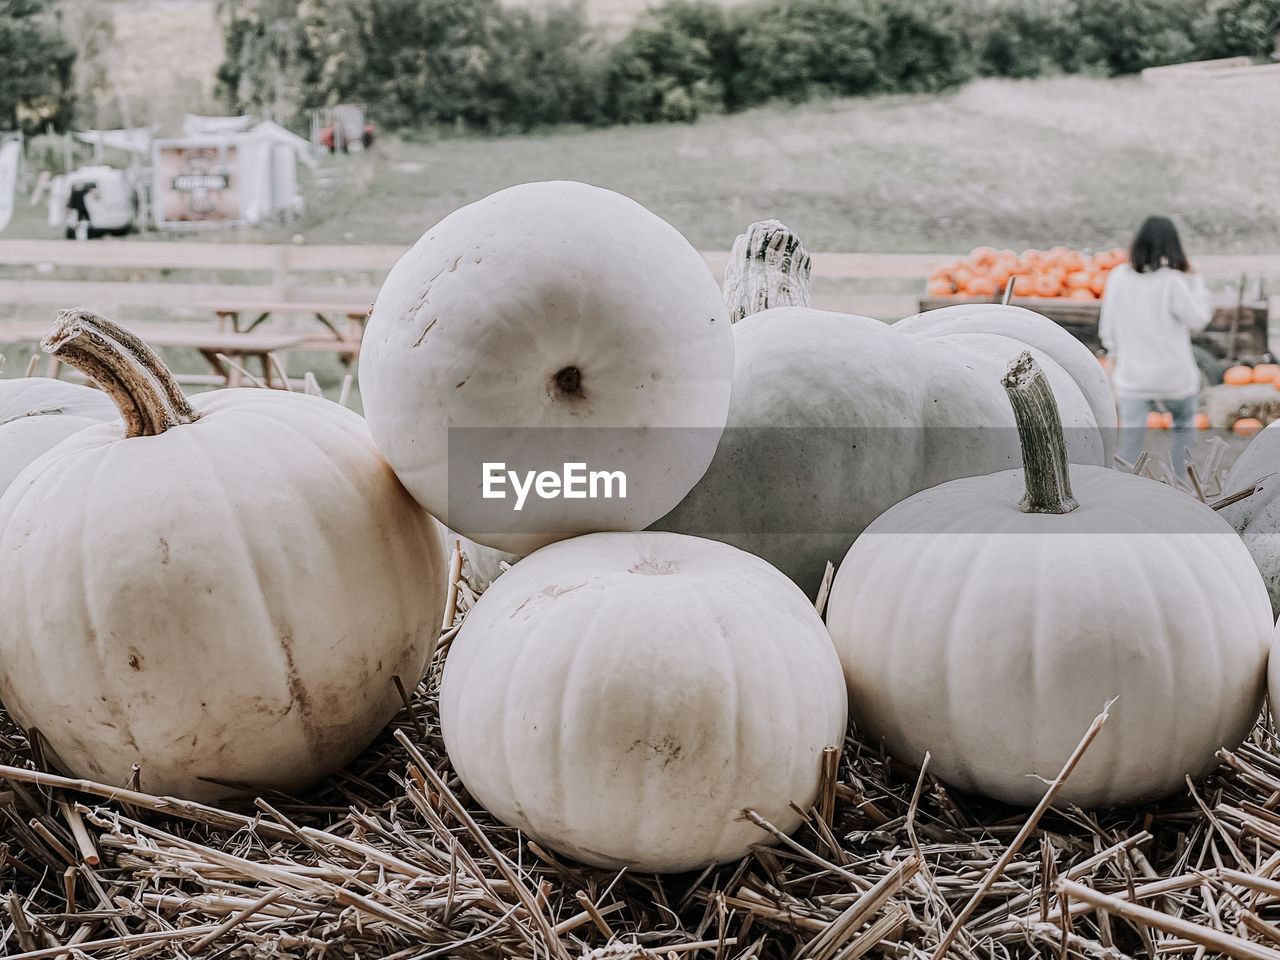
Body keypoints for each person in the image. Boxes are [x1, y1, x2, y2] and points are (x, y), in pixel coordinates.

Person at [1099, 215, 1212, 479]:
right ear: (1172, 246)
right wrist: (1196, 281)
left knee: (1130, 440)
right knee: (1183, 428)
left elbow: (1108, 327)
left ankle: (1123, 488)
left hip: (1133, 376)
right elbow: (1199, 319)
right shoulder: (1171, 281)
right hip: (1174, 375)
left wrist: (1113, 354)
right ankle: (1182, 484)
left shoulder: (1118, 276)